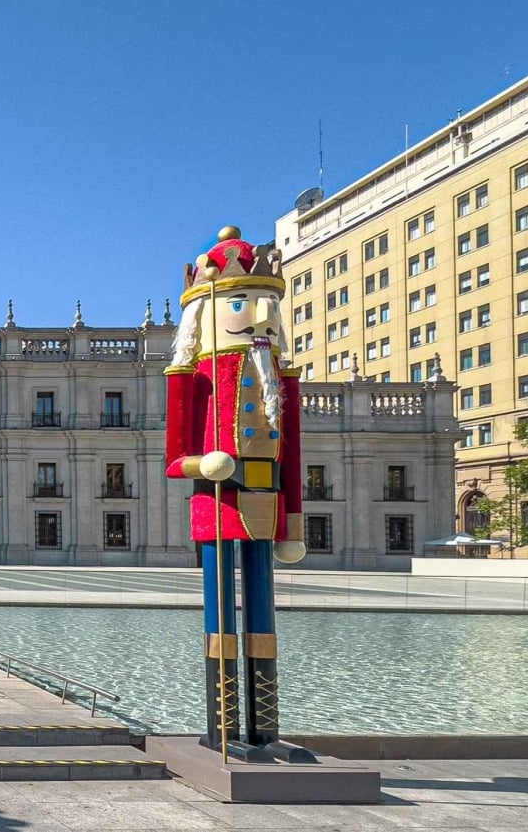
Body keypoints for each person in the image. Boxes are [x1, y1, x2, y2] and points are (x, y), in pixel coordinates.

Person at [164, 225, 313, 763]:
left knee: (262, 618)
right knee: (221, 618)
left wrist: (292, 524)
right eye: (242, 302)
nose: (260, 314)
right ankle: (223, 729)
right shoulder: (192, 376)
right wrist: (202, 463)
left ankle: (266, 730)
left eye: (267, 303)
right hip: (218, 505)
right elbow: (175, 457)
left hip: (265, 506)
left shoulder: (279, 378)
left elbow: (290, 458)